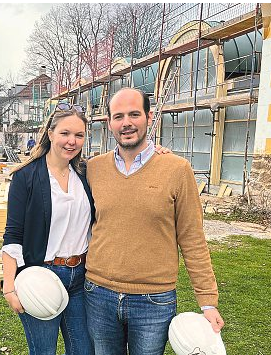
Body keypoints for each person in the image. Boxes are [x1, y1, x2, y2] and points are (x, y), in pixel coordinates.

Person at [84, 88, 224, 355]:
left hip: (153, 300)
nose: (126, 123)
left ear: (149, 117)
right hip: (98, 294)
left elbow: (192, 239)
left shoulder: (177, 169)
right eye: (119, 116)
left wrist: (207, 301)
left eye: (134, 114)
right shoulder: (93, 169)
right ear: (109, 122)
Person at [2, 103, 95, 355]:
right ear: (51, 133)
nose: (71, 141)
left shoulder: (87, 173)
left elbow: (124, 161)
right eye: (65, 133)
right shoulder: (26, 177)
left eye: (79, 135)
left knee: (83, 350)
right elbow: (12, 236)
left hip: (80, 277)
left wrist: (154, 151)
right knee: (43, 351)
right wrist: (9, 287)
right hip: (41, 276)